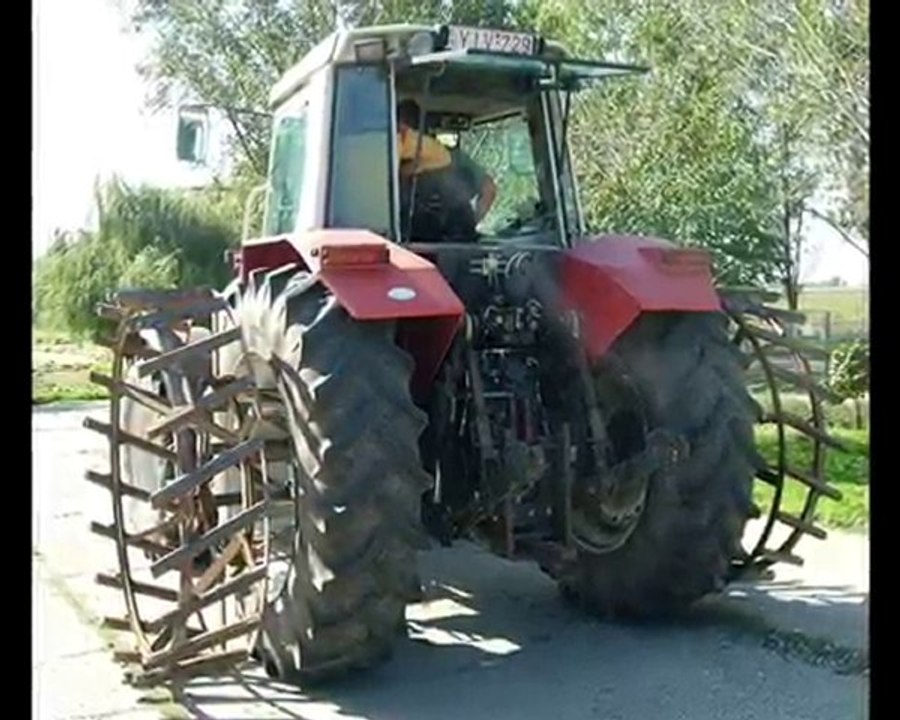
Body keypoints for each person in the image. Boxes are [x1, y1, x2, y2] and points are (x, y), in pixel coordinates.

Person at [396, 99, 497, 226]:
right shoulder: (454, 158)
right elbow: (489, 189)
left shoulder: (384, 162)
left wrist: (466, 226)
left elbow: (488, 189)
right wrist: (469, 227)